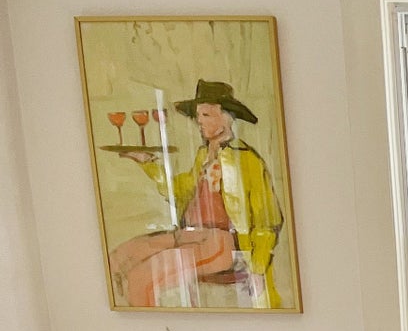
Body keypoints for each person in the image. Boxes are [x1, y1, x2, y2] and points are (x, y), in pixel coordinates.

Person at [108, 78, 285, 308]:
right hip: (188, 235)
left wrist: (259, 268)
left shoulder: (247, 160)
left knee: (140, 278)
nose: (199, 122)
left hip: (222, 243)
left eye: (206, 115)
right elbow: (178, 191)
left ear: (227, 118)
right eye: (198, 116)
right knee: (118, 259)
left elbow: (267, 221)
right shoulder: (203, 156)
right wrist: (148, 163)